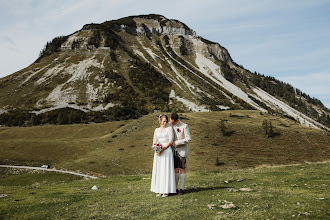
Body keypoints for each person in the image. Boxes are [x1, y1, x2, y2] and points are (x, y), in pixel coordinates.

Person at [150, 114, 176, 197]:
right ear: (160, 121)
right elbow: (155, 141)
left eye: (166, 121)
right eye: (163, 121)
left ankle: (166, 190)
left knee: (165, 170)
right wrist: (156, 149)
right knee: (159, 170)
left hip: (166, 150)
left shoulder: (169, 129)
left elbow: (170, 140)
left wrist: (162, 149)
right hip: (158, 152)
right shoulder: (156, 130)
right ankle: (159, 190)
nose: (165, 123)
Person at [170, 113, 191, 195]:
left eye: (173, 122)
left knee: (181, 169)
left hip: (182, 151)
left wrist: (177, 142)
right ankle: (175, 188)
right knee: (175, 169)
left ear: (177, 120)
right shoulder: (170, 125)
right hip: (172, 152)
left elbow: (188, 139)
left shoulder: (184, 126)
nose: (171, 123)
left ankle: (181, 189)